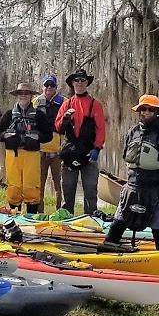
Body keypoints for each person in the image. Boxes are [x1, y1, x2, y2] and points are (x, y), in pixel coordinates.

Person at [100, 94, 159, 251]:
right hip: (133, 187)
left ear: (156, 112)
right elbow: (126, 155)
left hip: (158, 189)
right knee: (118, 224)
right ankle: (105, 252)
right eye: (143, 109)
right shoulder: (132, 132)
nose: (146, 113)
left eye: (150, 110)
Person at [55, 68, 106, 215]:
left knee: (90, 191)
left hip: (89, 155)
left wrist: (97, 148)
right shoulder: (67, 104)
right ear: (72, 83)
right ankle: (67, 220)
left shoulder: (95, 105)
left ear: (87, 83)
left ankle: (91, 219)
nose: (79, 83)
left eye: (82, 80)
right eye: (76, 80)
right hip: (70, 154)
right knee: (68, 191)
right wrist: (65, 119)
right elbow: (58, 128)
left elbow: (101, 129)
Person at [0, 82, 53, 213]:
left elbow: (48, 136)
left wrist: (37, 137)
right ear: (17, 96)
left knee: (31, 186)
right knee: (14, 186)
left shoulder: (39, 115)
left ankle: (31, 216)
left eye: (26, 94)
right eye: (20, 94)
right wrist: (6, 135)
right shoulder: (9, 114)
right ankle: (14, 215)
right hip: (13, 154)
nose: (23, 96)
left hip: (31, 155)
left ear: (31, 96)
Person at [33, 75, 65, 210]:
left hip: (58, 151)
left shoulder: (64, 102)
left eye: (52, 85)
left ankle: (60, 211)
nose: (49, 88)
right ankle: (40, 212)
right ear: (42, 87)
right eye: (46, 85)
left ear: (56, 87)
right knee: (39, 184)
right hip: (40, 151)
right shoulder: (35, 102)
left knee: (60, 185)